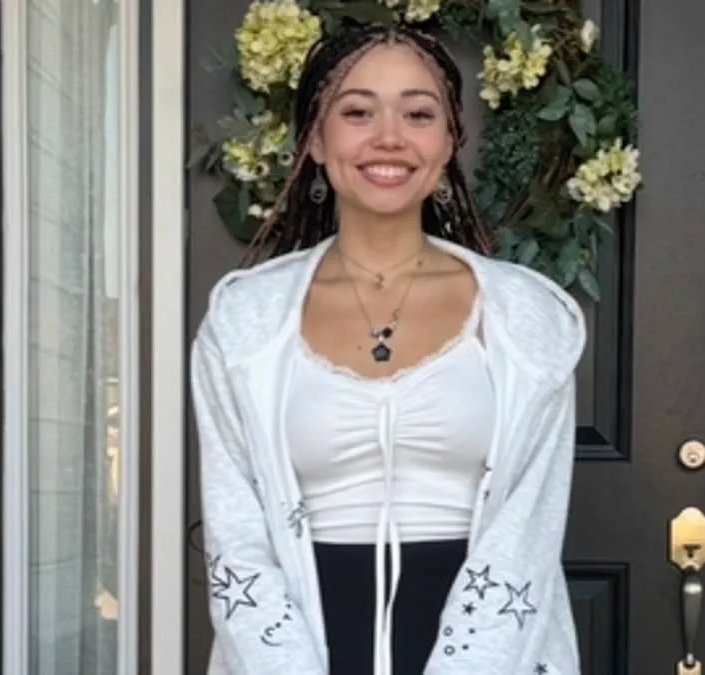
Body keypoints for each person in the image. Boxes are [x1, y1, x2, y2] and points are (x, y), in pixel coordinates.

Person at [192, 22, 585, 675]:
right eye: (357, 112)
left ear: (449, 141)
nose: (390, 137)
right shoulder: (245, 324)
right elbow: (238, 539)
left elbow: (526, 537)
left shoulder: (526, 320)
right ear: (316, 139)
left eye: (418, 113)